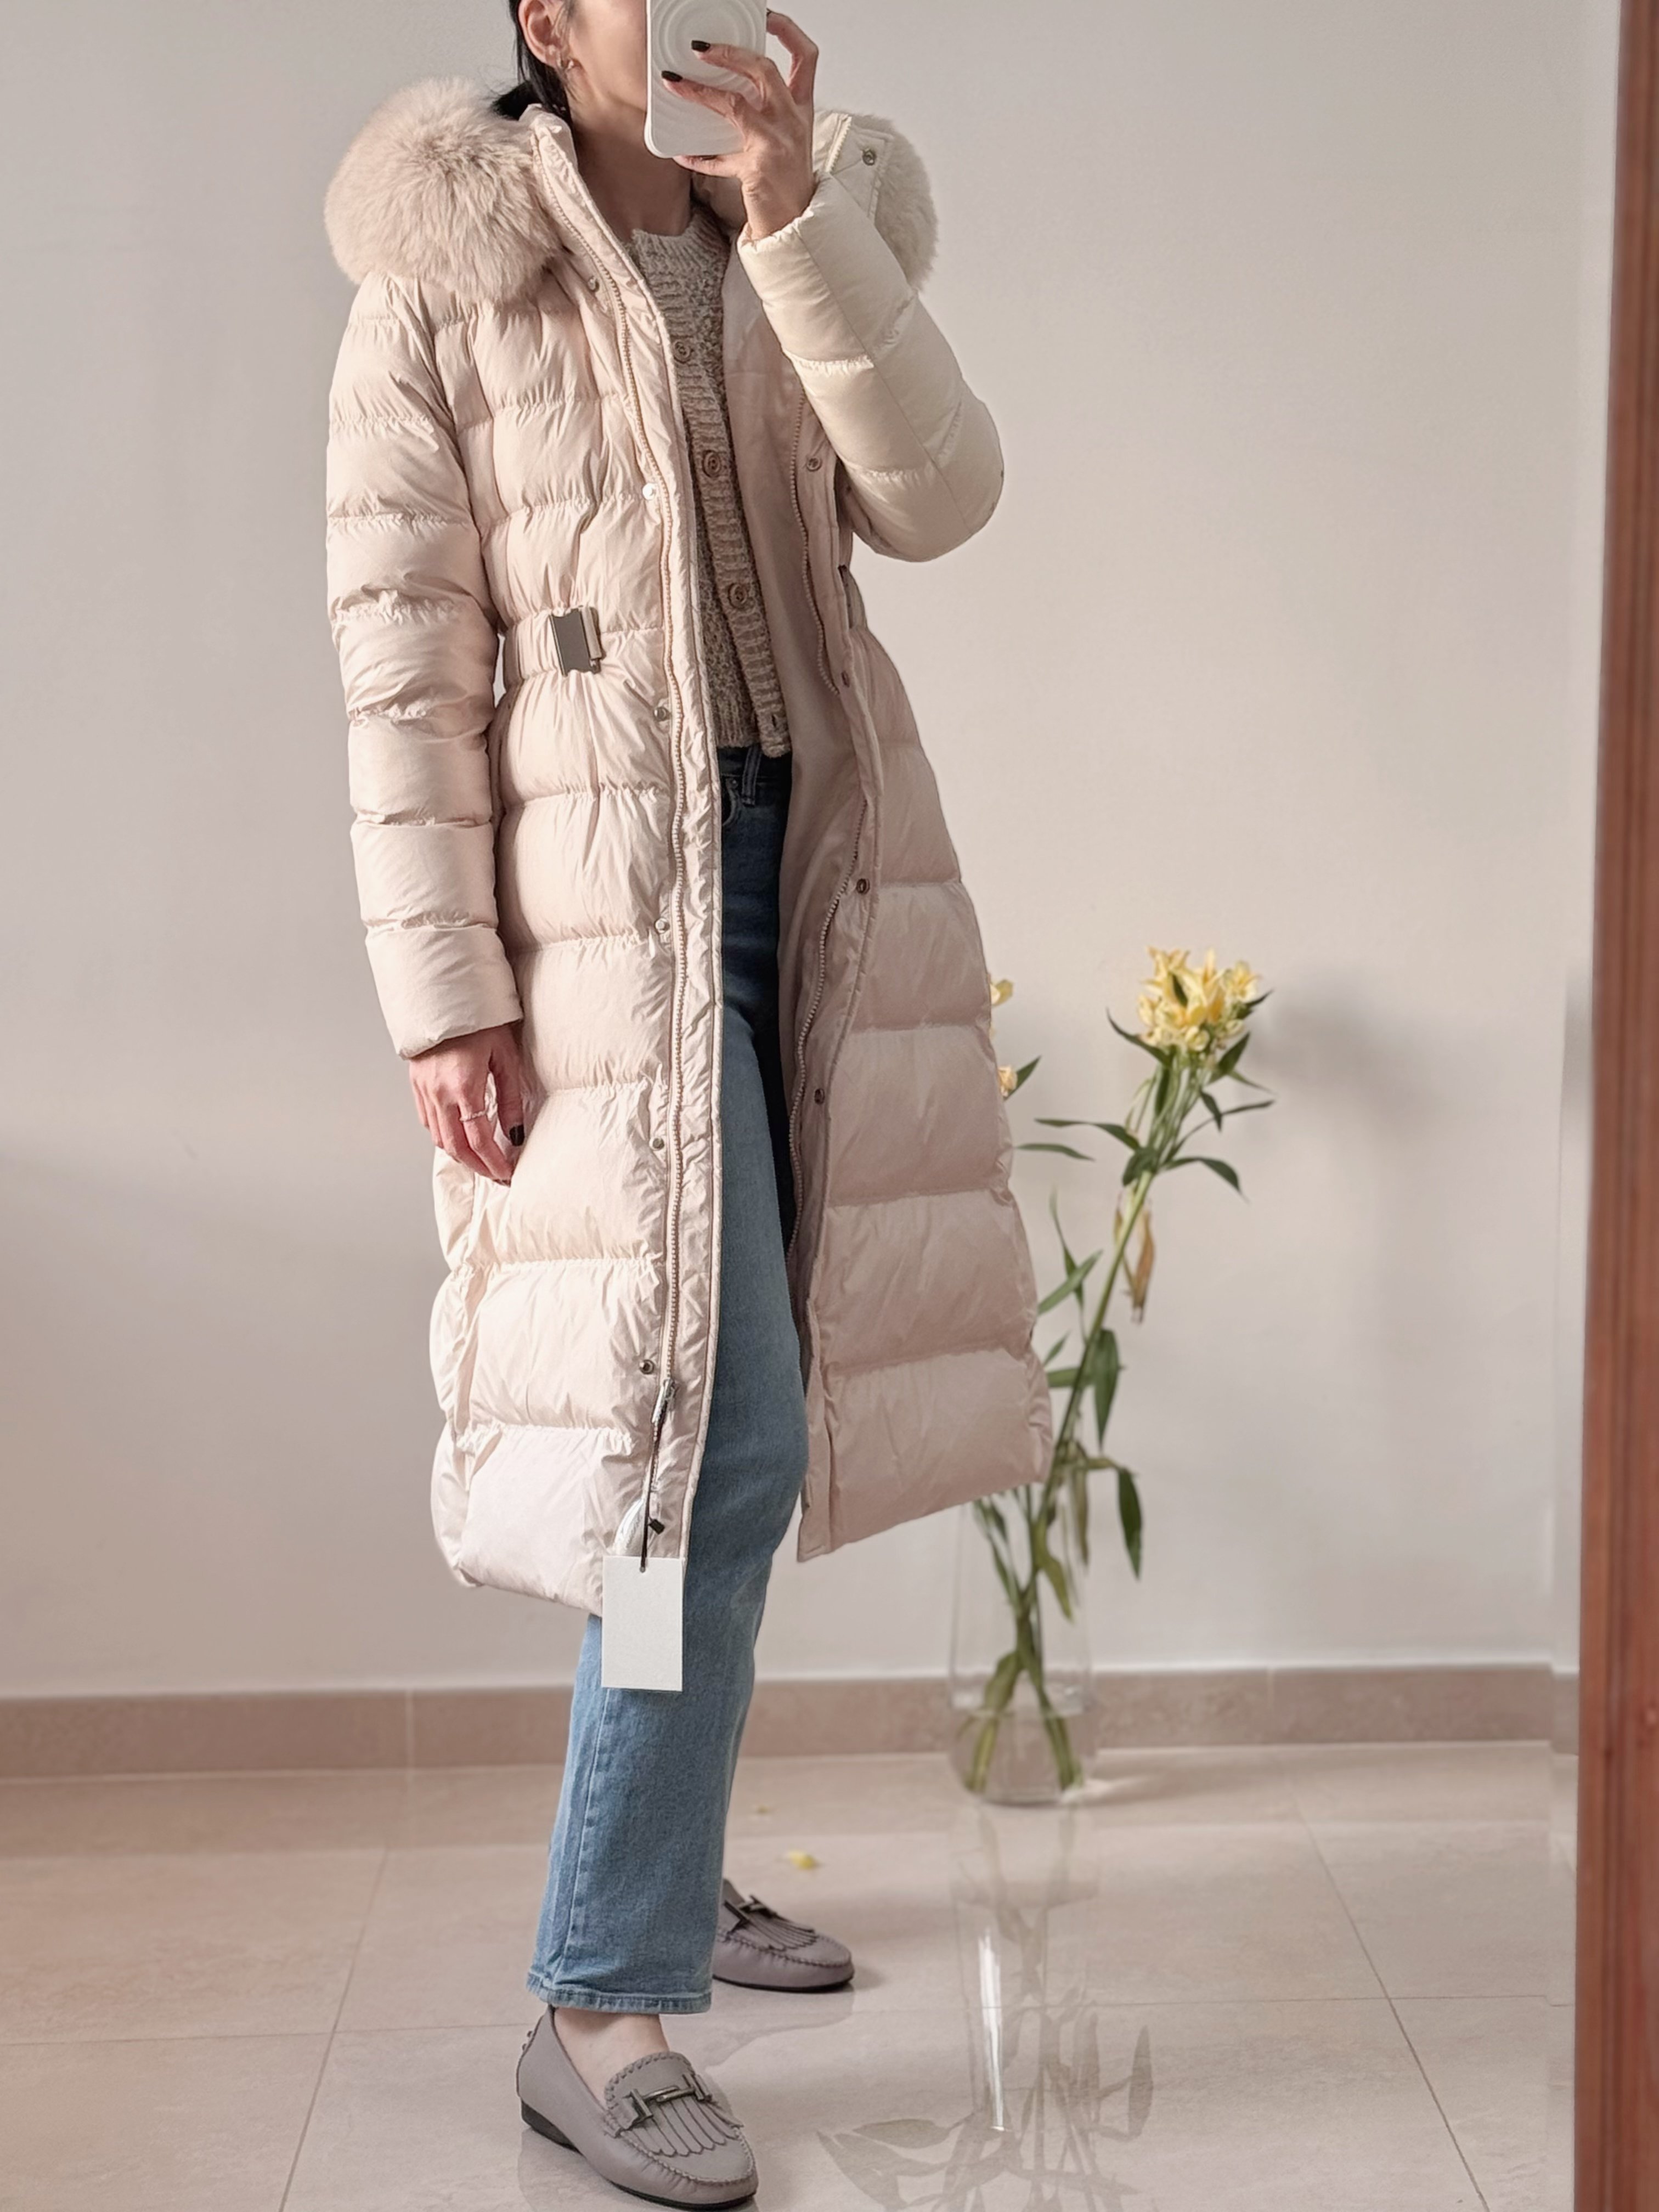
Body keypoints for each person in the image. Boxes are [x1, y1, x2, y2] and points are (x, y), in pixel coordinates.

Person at [321, 3, 1052, 2200]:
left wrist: (799, 218)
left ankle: (661, 1851)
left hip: (807, 883)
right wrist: (444, 995)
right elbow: (401, 656)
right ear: (549, 18)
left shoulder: (804, 223)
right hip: (593, 931)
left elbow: (942, 497)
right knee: (699, 1443)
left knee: (704, 1433)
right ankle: (600, 1997)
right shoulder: (444, 264)